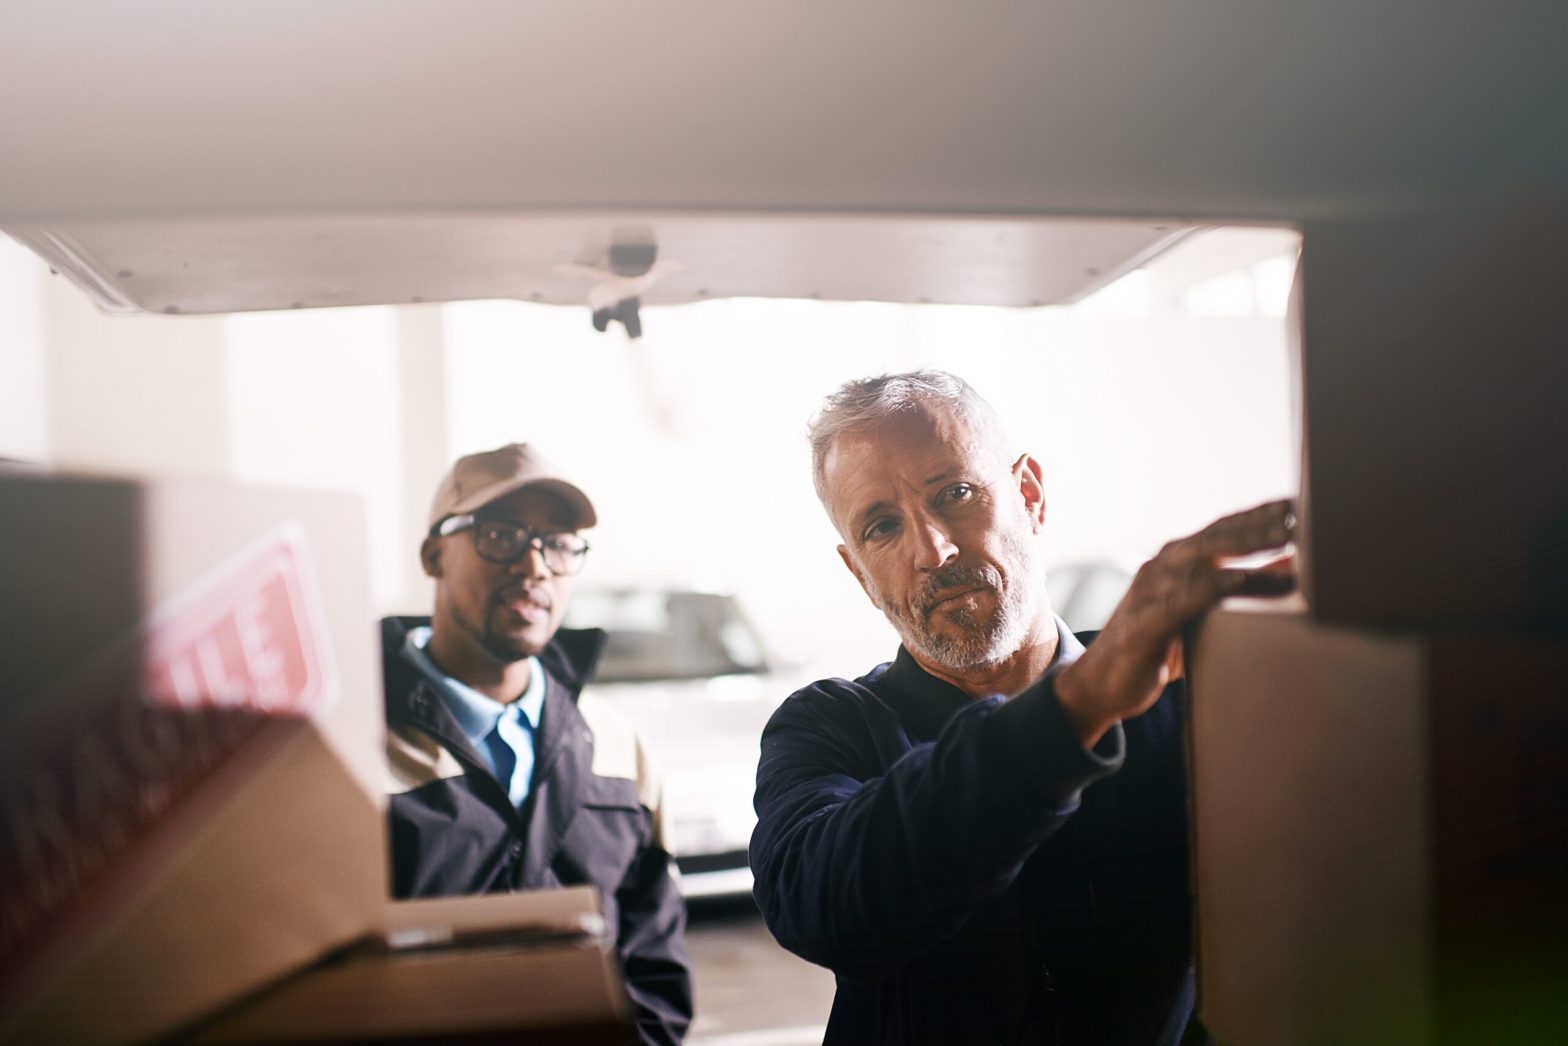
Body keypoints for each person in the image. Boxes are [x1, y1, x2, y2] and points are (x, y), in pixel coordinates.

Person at [749, 371, 1294, 1045]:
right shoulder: (830, 727)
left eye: (955, 494)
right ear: (859, 571)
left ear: (1029, 495)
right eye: (883, 527)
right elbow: (822, 908)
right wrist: (1077, 706)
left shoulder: (1181, 695)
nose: (934, 551)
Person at [382, 443, 692, 1045]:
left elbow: (652, 959)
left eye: (556, 543)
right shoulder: (342, 746)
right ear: (433, 555)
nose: (535, 566)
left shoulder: (616, 742)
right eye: (500, 534)